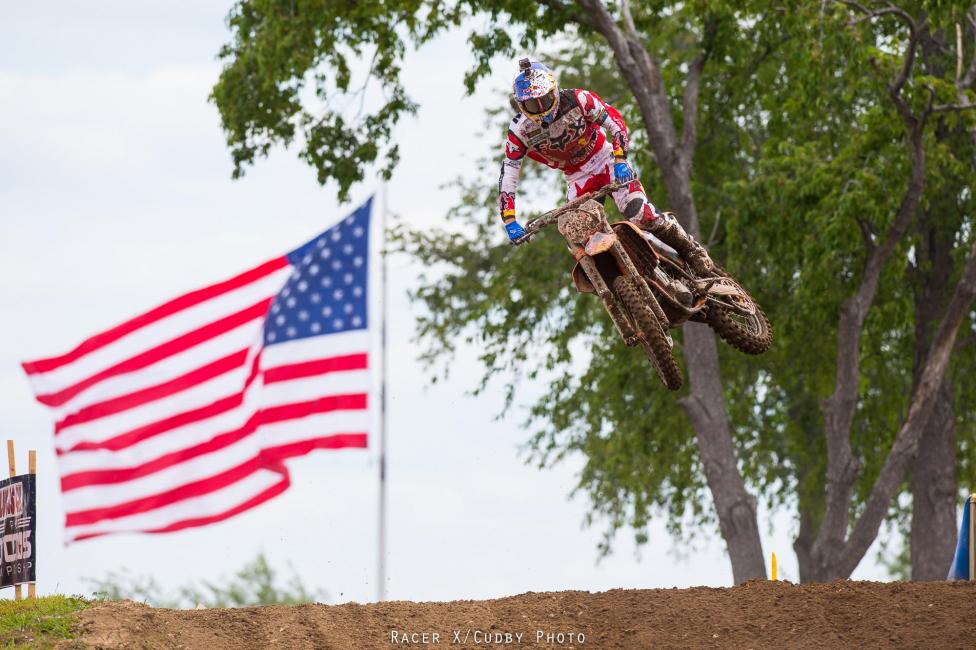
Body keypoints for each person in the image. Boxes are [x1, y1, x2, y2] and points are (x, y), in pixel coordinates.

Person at [499, 58, 713, 275]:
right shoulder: (520, 131)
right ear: (520, 104)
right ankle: (623, 285)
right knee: (577, 239)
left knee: (640, 213)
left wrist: (620, 160)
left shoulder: (579, 99)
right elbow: (509, 174)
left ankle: (691, 249)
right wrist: (509, 220)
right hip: (577, 178)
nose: (540, 109)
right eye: (531, 105)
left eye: (543, 100)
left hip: (606, 160)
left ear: (553, 91)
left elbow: (616, 124)